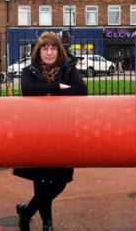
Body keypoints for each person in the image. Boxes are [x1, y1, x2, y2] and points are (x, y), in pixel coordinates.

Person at [14, 31, 87, 231]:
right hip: (37, 131)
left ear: (58, 50)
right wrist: (57, 87)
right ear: (39, 51)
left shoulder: (68, 69)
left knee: (60, 181)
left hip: (63, 131)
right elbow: (28, 90)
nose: (49, 52)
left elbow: (81, 90)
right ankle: (48, 224)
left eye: (53, 47)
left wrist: (46, 90)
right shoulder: (30, 70)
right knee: (41, 179)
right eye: (45, 48)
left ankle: (27, 210)